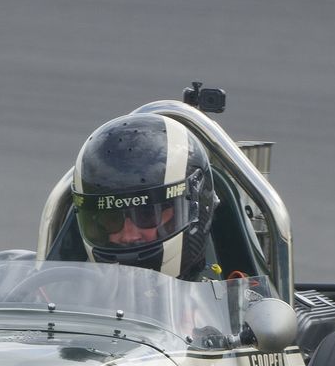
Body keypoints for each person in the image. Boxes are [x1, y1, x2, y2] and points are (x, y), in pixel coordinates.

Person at [47, 114, 220, 279]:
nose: (129, 236)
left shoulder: (238, 289)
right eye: (111, 218)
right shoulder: (61, 289)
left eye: (147, 215)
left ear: (195, 205)